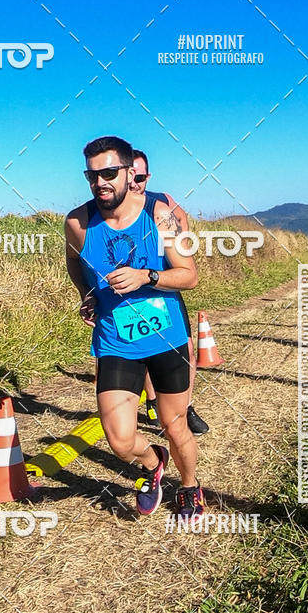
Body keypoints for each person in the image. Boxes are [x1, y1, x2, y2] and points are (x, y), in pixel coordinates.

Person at [65, 135, 205, 518]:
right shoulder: (77, 223)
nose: (100, 183)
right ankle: (152, 462)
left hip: (167, 338)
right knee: (120, 439)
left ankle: (190, 486)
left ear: (130, 172)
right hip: (115, 341)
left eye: (109, 173)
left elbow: (189, 276)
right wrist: (86, 294)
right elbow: (75, 263)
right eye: (92, 175)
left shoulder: (159, 214)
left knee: (175, 426)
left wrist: (146, 276)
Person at [130, 149, 209, 436]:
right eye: (130, 177)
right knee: (147, 348)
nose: (134, 184)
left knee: (186, 348)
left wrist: (177, 249)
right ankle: (152, 401)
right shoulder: (111, 209)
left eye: (140, 177)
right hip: (128, 295)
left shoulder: (161, 202)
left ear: (147, 176)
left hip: (162, 285)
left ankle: (185, 407)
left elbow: (181, 218)